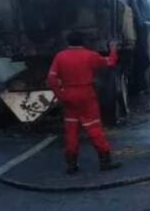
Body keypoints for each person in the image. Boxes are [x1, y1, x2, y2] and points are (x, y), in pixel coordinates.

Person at [47, 31, 122, 174]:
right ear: (84, 41)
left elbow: (52, 79)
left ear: (67, 42)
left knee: (71, 131)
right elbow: (110, 63)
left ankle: (71, 165)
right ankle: (105, 161)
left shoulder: (60, 56)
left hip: (68, 95)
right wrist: (113, 49)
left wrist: (61, 96)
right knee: (94, 128)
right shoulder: (90, 55)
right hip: (86, 96)